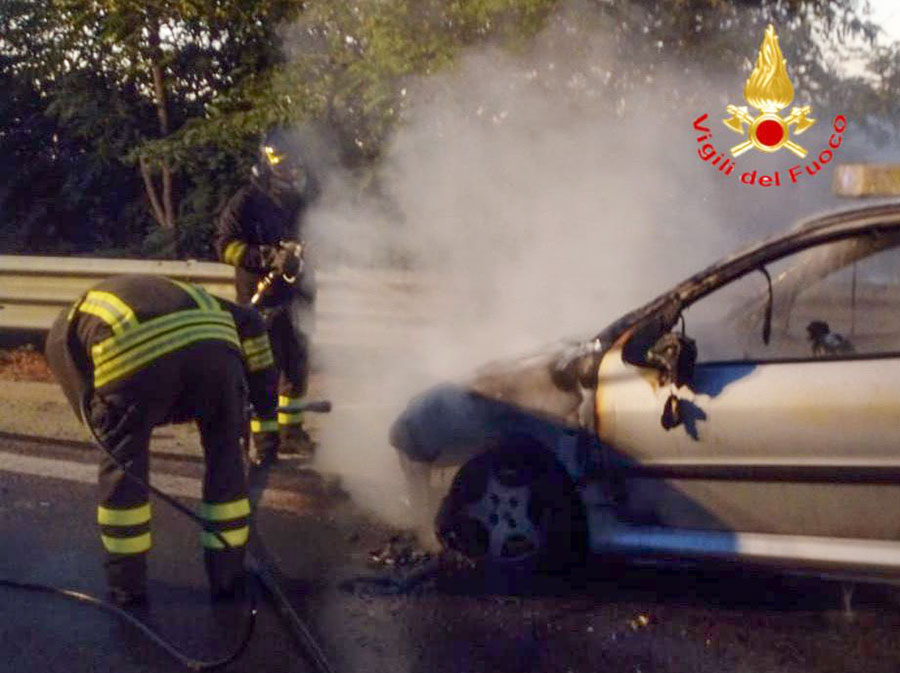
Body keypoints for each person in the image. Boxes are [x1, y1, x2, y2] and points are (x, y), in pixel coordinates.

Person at [44, 274, 278, 606]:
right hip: (215, 350)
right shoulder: (189, 293)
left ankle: (127, 586)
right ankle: (227, 577)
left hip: (133, 350)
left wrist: (115, 431)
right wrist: (267, 418)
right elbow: (252, 322)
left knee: (125, 469)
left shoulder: (61, 335)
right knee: (226, 461)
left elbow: (88, 406)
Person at [215, 127, 320, 465]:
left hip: (298, 297)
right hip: (262, 302)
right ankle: (265, 441)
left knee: (297, 366)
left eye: (294, 165)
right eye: (284, 164)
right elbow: (226, 246)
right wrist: (266, 257)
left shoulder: (300, 201)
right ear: (267, 161)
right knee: (264, 372)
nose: (290, 171)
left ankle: (292, 432)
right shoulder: (246, 202)